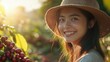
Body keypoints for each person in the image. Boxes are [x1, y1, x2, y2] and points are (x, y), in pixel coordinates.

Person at [45, 0, 110, 62]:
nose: (66, 25)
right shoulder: (83, 56)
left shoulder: (90, 59)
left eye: (74, 19)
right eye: (62, 19)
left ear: (91, 23)